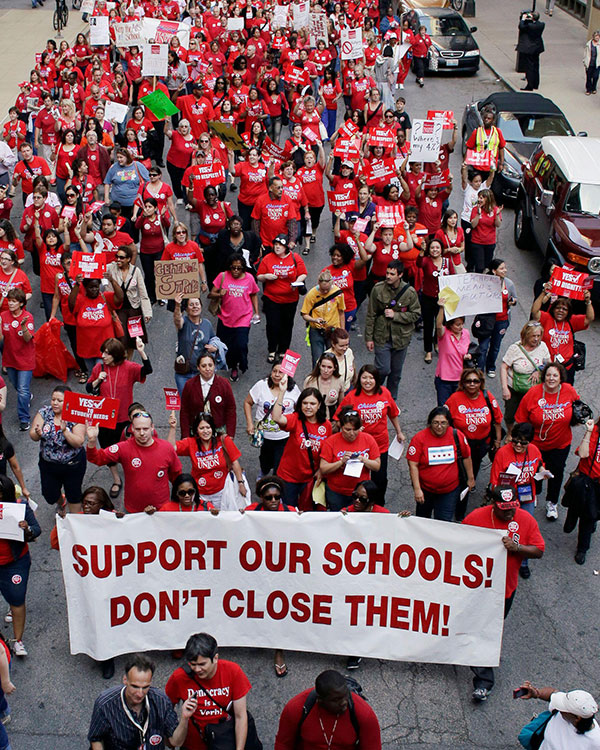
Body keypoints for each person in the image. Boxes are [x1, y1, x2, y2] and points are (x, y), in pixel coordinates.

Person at [463, 486, 544, 703]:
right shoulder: (476, 517)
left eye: (512, 509)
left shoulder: (525, 520)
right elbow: (456, 540)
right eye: (504, 509)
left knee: (489, 631)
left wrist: (518, 548)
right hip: (475, 587)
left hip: (504, 590)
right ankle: (479, 674)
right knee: (475, 626)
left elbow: (539, 550)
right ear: (493, 504)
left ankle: (483, 681)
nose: (509, 514)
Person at [86, 337, 152, 498]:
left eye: (107, 353)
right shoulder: (98, 368)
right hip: (105, 417)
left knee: (129, 448)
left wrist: (141, 351)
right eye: (103, 352)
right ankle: (116, 479)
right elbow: (88, 388)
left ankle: (134, 474)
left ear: (115, 354)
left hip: (123, 417)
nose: (103, 355)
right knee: (108, 449)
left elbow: (147, 370)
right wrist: (97, 381)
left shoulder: (128, 367)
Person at [88, 653, 196, 750]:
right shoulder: (106, 704)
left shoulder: (161, 701)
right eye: (135, 686)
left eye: (145, 687)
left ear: (150, 682)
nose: (140, 693)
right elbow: (96, 738)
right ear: (125, 680)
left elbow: (175, 742)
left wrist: (184, 718)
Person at [515, 362, 580, 522]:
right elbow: (521, 419)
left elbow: (578, 408)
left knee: (556, 473)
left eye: (555, 375)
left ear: (561, 378)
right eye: (549, 375)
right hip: (536, 444)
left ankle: (552, 503)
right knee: (535, 471)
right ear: (544, 377)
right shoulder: (533, 393)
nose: (552, 378)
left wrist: (578, 418)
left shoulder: (569, 391)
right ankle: (534, 495)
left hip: (560, 443)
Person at [165, 632, 253, 750]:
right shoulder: (179, 677)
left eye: (202, 664)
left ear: (215, 658)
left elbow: (240, 716)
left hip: (225, 741)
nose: (197, 669)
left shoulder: (233, 671)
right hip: (193, 744)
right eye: (193, 664)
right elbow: (165, 710)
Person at [86, 411, 182, 514]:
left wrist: (177, 502)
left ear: (152, 427)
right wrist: (92, 441)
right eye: (137, 429)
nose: (142, 433)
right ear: (132, 429)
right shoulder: (123, 448)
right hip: (133, 510)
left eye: (145, 429)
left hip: (161, 509)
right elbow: (97, 459)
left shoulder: (166, 448)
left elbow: (176, 477)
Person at [336, 364, 404, 505]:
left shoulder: (384, 393)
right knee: (360, 478)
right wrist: (351, 431)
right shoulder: (351, 397)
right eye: (364, 377)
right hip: (359, 445)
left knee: (380, 479)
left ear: (377, 379)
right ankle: (359, 504)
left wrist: (399, 432)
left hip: (381, 445)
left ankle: (378, 506)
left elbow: (393, 414)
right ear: (359, 379)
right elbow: (338, 419)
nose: (367, 381)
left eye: (371, 378)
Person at [275, 669, 381, 750]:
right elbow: (283, 744)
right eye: (336, 700)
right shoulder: (296, 708)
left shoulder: (364, 714)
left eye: (346, 695)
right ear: (320, 700)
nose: (344, 702)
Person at [490, 421, 544, 578]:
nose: (518, 445)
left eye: (523, 442)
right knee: (504, 528)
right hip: (508, 499)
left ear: (529, 442)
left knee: (524, 531)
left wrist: (542, 471)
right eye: (515, 441)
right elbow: (494, 481)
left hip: (527, 497)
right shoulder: (502, 453)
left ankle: (523, 562)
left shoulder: (534, 450)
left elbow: (539, 463)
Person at [365, 259, 420, 401]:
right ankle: (374, 393)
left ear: (400, 275)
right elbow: (371, 314)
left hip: (401, 338)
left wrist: (397, 316)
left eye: (392, 274)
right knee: (382, 369)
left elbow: (416, 314)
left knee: (396, 373)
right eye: (387, 273)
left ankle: (391, 399)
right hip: (381, 336)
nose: (388, 276)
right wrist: (369, 338)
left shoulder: (409, 292)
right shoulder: (378, 289)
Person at [407, 406, 475, 522]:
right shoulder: (419, 439)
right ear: (430, 423)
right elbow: (413, 464)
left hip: (449, 491)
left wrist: (470, 478)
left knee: (443, 522)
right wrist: (417, 489)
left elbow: (466, 456)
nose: (439, 427)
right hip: (426, 490)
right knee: (422, 522)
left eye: (443, 423)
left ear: (449, 423)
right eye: (435, 423)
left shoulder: (457, 435)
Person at [167, 412, 246, 510]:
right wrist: (172, 428)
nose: (205, 431)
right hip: (200, 494)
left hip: (222, 492)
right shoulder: (191, 443)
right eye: (201, 428)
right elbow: (171, 448)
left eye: (208, 427)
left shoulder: (223, 440)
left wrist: (240, 483)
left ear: (213, 428)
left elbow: (235, 462)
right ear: (196, 430)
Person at [0, 474, 40, 658]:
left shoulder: (20, 507)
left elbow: (36, 529)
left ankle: (17, 641)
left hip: (15, 563)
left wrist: (26, 528)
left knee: (17, 600)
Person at [272, 385, 332, 507]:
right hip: (289, 477)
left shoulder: (326, 426)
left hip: (311, 478)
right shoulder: (295, 419)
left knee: (307, 512)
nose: (308, 407)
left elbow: (327, 452)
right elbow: (277, 418)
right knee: (290, 511)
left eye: (312, 403)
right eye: (305, 403)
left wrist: (321, 470)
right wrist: (282, 392)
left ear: (319, 405)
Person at [29, 385, 86, 513]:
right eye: (53, 399)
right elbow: (33, 434)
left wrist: (65, 430)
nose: (55, 403)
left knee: (74, 494)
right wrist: (37, 434)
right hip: (48, 464)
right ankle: (61, 501)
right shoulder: (44, 412)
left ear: (68, 402)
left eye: (59, 401)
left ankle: (74, 522)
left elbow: (78, 442)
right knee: (50, 495)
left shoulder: (76, 415)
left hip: (73, 464)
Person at [445, 367, 503, 485]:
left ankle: (471, 481)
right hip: (461, 444)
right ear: (463, 383)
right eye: (468, 381)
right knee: (459, 466)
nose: (472, 384)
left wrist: (497, 441)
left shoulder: (487, 397)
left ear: (481, 383)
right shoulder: (455, 399)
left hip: (482, 443)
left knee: (475, 462)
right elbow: (443, 419)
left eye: (476, 381)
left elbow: (497, 421)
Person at [244, 362, 301, 478]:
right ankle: (264, 471)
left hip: (284, 436)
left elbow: (298, 410)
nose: (276, 375)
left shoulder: (293, 389)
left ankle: (275, 484)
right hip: (264, 435)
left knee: (279, 464)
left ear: (287, 375)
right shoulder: (261, 385)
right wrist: (250, 423)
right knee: (265, 461)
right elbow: (247, 402)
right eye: (274, 371)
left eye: (280, 372)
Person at [257, 234, 307, 363]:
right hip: (272, 298)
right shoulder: (268, 258)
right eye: (275, 244)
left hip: (290, 299)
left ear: (286, 247)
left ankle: (283, 349)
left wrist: (296, 282)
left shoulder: (295, 258)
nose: (277, 247)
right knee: (272, 325)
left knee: (287, 324)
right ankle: (272, 349)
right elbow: (259, 276)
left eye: (280, 245)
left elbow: (303, 273)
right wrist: (266, 276)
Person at [209, 253, 259, 381]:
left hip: (244, 318)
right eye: (233, 268)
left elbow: (253, 294)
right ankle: (233, 366)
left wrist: (256, 312)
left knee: (241, 344)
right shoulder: (222, 276)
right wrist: (219, 293)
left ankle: (240, 362)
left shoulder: (249, 278)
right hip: (225, 318)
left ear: (243, 268)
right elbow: (211, 294)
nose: (236, 271)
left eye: (239, 268)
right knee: (227, 345)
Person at [320, 408, 381, 512]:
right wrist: (341, 462)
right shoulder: (331, 441)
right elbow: (323, 468)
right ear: (341, 427)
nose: (352, 433)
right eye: (347, 430)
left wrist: (363, 460)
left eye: (355, 429)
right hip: (337, 492)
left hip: (361, 494)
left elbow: (377, 466)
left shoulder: (368, 439)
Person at [531, 289, 594, 385]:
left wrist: (588, 301)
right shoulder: (547, 318)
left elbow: (589, 318)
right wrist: (543, 292)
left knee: (564, 395)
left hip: (566, 368)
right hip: (547, 367)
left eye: (564, 309)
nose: (561, 311)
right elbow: (535, 312)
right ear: (553, 309)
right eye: (558, 308)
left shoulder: (571, 321)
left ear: (568, 312)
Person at [500, 321, 550, 439]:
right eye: (533, 336)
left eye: (538, 336)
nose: (536, 339)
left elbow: (549, 364)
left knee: (531, 415)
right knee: (510, 415)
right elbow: (504, 367)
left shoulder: (543, 346)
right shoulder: (515, 348)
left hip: (534, 390)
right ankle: (511, 432)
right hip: (514, 388)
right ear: (526, 334)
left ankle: (524, 435)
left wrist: (539, 370)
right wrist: (505, 388)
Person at [562, 417, 600, 566]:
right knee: (577, 507)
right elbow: (583, 454)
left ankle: (582, 548)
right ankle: (572, 522)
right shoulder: (595, 432)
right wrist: (589, 432)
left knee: (590, 517)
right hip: (586, 480)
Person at [106, 245, 152, 358]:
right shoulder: (111, 268)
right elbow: (97, 265)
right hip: (118, 309)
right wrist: (97, 250)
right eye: (117, 257)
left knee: (133, 340)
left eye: (121, 258)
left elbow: (143, 294)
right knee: (122, 339)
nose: (118, 260)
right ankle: (122, 361)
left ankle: (129, 362)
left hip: (133, 310)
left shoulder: (136, 271)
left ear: (128, 259)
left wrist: (147, 312)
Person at [518, 683, 600, 746]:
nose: (560, 709)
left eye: (563, 708)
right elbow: (552, 694)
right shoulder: (570, 711)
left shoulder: (596, 741)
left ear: (577, 718)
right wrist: (536, 693)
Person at [0, 289, 35, 431]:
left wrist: (23, 327)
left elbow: (28, 339)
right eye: (9, 301)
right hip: (10, 359)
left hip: (26, 360)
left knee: (22, 390)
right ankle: (27, 396)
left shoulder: (28, 317)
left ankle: (24, 419)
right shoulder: (3, 316)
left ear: (21, 303)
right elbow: (1, 339)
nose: (10, 303)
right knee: (17, 386)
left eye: (13, 301)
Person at [180, 353, 236, 439]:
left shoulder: (224, 384)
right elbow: (184, 411)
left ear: (214, 366)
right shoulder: (189, 385)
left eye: (210, 365)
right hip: (197, 433)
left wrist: (230, 434)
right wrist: (185, 435)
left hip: (219, 432)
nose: (207, 369)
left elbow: (231, 409)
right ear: (198, 367)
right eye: (203, 366)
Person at [476, 259, 517, 377]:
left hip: (502, 321)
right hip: (487, 320)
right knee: (483, 346)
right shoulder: (485, 283)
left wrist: (512, 301)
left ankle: (491, 367)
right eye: (502, 268)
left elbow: (515, 298)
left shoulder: (509, 284)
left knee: (495, 346)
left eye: (505, 268)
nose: (505, 270)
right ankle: (479, 369)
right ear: (494, 271)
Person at [173, 295, 220, 394]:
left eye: (197, 304)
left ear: (201, 307)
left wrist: (214, 348)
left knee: (201, 403)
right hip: (183, 373)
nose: (195, 306)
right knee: (186, 404)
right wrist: (177, 305)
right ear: (186, 309)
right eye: (191, 305)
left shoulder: (207, 324)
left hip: (202, 373)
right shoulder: (184, 322)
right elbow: (177, 320)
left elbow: (214, 340)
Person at [301, 270, 346, 367]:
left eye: (327, 289)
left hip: (333, 330)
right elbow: (304, 314)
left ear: (332, 284)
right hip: (316, 331)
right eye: (322, 289)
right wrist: (314, 320)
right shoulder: (311, 295)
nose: (325, 292)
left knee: (333, 360)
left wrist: (342, 331)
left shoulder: (338, 293)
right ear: (318, 283)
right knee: (317, 361)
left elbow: (341, 312)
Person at [434, 302, 471, 407]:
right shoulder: (444, 334)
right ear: (450, 325)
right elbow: (438, 325)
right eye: (458, 325)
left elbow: (467, 350)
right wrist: (441, 308)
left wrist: (468, 356)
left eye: (462, 324)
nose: (461, 327)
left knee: (458, 407)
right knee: (444, 408)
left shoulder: (466, 333)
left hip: (460, 379)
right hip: (444, 380)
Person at [469, 189, 502, 274]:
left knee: (487, 265)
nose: (479, 200)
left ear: (488, 199)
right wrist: (478, 214)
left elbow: (498, 224)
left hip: (490, 242)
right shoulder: (475, 209)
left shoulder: (495, 210)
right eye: (479, 198)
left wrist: (497, 215)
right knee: (479, 266)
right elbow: (473, 225)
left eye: (482, 198)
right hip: (477, 242)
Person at [303, 353, 344, 419]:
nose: (325, 370)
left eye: (329, 367)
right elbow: (303, 402)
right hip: (312, 417)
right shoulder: (310, 380)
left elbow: (341, 404)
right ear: (319, 365)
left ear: (335, 368)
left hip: (332, 418)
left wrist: (338, 420)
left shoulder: (339, 381)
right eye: (323, 366)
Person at [517, 11, 545, 91]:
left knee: (529, 67)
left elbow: (521, 26)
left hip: (529, 49)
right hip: (537, 48)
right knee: (536, 66)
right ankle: (536, 83)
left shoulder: (529, 26)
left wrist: (523, 19)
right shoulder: (541, 25)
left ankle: (530, 85)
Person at [325, 328, 356, 393]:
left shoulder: (349, 352)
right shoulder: (326, 358)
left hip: (348, 389)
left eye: (347, 345)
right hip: (333, 393)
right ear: (333, 344)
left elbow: (353, 366)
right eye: (341, 346)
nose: (345, 348)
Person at [583, 30, 600, 96]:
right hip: (589, 63)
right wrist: (584, 61)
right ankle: (588, 89)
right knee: (589, 77)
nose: (597, 38)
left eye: (598, 37)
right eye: (596, 36)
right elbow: (585, 53)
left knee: (595, 76)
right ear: (593, 37)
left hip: (597, 64)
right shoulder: (588, 44)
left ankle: (594, 88)